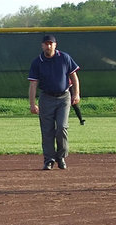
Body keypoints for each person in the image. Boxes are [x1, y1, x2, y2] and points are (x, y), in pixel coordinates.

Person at [28, 35, 80, 171]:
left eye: (51, 43)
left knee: (62, 127)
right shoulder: (37, 62)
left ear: (55, 45)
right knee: (47, 131)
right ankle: (49, 160)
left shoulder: (64, 57)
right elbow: (33, 84)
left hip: (64, 97)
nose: (49, 46)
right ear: (42, 46)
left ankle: (61, 156)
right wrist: (32, 104)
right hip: (46, 98)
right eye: (46, 44)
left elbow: (73, 76)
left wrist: (77, 93)